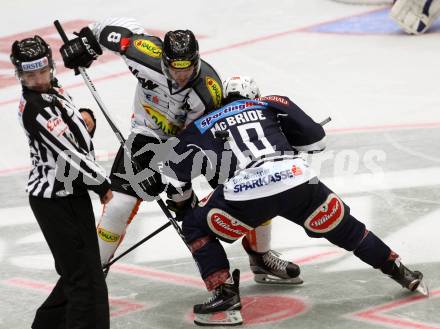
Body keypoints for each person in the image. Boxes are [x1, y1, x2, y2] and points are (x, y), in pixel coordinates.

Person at [154, 76, 428, 326]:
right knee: (348, 230)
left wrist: (183, 205)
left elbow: (176, 178)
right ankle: (399, 270)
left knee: (195, 226)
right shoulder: (270, 103)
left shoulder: (203, 122)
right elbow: (317, 142)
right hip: (296, 179)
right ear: (254, 93)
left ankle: (225, 296)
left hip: (246, 192)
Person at [59, 18, 300, 284]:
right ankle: (90, 276)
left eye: (187, 69)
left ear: (196, 61)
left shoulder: (208, 89)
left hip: (193, 143)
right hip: (146, 136)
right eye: (175, 69)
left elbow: (202, 139)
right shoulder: (142, 53)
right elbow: (114, 30)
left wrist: (175, 182)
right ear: (164, 61)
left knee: (254, 186)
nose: (181, 76)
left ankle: (260, 255)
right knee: (119, 205)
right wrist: (87, 41)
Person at [12, 35, 112, 329]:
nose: (38, 79)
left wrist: (86, 118)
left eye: (42, 71)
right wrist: (101, 184)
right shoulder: (35, 107)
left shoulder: (53, 91)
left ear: (51, 67)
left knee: (80, 273)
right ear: (20, 74)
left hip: (67, 193)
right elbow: (70, 155)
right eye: (30, 74)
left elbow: (72, 134)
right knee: (87, 281)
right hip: (58, 199)